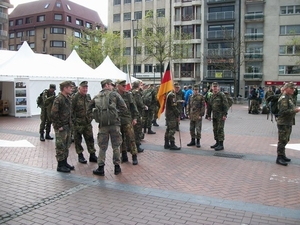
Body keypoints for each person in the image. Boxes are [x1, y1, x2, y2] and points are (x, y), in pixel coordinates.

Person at [88, 79, 128, 176]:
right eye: (111, 85)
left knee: (102, 147)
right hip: (115, 125)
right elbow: (124, 107)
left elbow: (88, 109)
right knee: (116, 146)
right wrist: (117, 115)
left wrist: (96, 117)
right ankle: (117, 167)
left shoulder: (96, 96)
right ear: (106, 85)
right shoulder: (115, 95)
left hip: (103, 126)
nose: (112, 86)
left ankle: (100, 168)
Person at [51, 81, 74, 173]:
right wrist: (58, 126)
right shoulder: (59, 99)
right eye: (69, 87)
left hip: (67, 126)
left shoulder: (68, 98)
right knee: (60, 145)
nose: (71, 89)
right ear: (64, 88)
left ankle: (64, 162)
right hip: (61, 127)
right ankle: (60, 165)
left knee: (66, 145)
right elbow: (53, 113)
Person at [72, 81, 97, 164]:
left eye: (86, 88)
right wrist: (74, 122)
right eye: (83, 88)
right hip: (78, 123)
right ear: (79, 88)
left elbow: (91, 107)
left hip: (87, 123)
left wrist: (91, 116)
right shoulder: (75, 97)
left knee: (90, 139)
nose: (85, 89)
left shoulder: (88, 96)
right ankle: (80, 155)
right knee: (78, 140)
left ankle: (92, 155)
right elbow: (71, 111)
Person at [276, 82, 300, 166]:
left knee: (286, 139)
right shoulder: (283, 98)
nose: (293, 90)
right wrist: (295, 110)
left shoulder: (289, 97)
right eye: (292, 88)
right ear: (287, 89)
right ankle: (279, 157)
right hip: (283, 122)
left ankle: (283, 155)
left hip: (288, 122)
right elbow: (283, 112)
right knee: (282, 140)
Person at [116, 80, 140, 165]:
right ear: (117, 86)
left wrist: (135, 118)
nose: (124, 87)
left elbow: (134, 107)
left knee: (131, 138)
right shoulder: (114, 95)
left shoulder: (128, 95)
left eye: (125, 85)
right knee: (120, 140)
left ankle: (134, 156)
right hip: (117, 121)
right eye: (122, 86)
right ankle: (124, 155)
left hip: (127, 120)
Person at [207, 82, 229, 151]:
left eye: (216, 87)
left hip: (221, 115)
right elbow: (209, 106)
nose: (215, 88)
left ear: (218, 88)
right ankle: (217, 142)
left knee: (220, 129)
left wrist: (225, 115)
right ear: (212, 88)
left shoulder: (221, 95)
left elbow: (226, 105)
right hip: (215, 116)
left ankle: (221, 144)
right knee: (215, 129)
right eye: (214, 87)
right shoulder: (211, 96)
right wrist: (209, 115)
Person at [131, 80, 148, 153]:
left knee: (133, 131)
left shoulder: (131, 92)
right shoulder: (136, 93)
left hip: (132, 114)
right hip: (137, 114)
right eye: (140, 85)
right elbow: (140, 103)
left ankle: (131, 146)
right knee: (137, 131)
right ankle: (137, 146)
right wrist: (145, 106)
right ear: (138, 86)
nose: (142, 86)